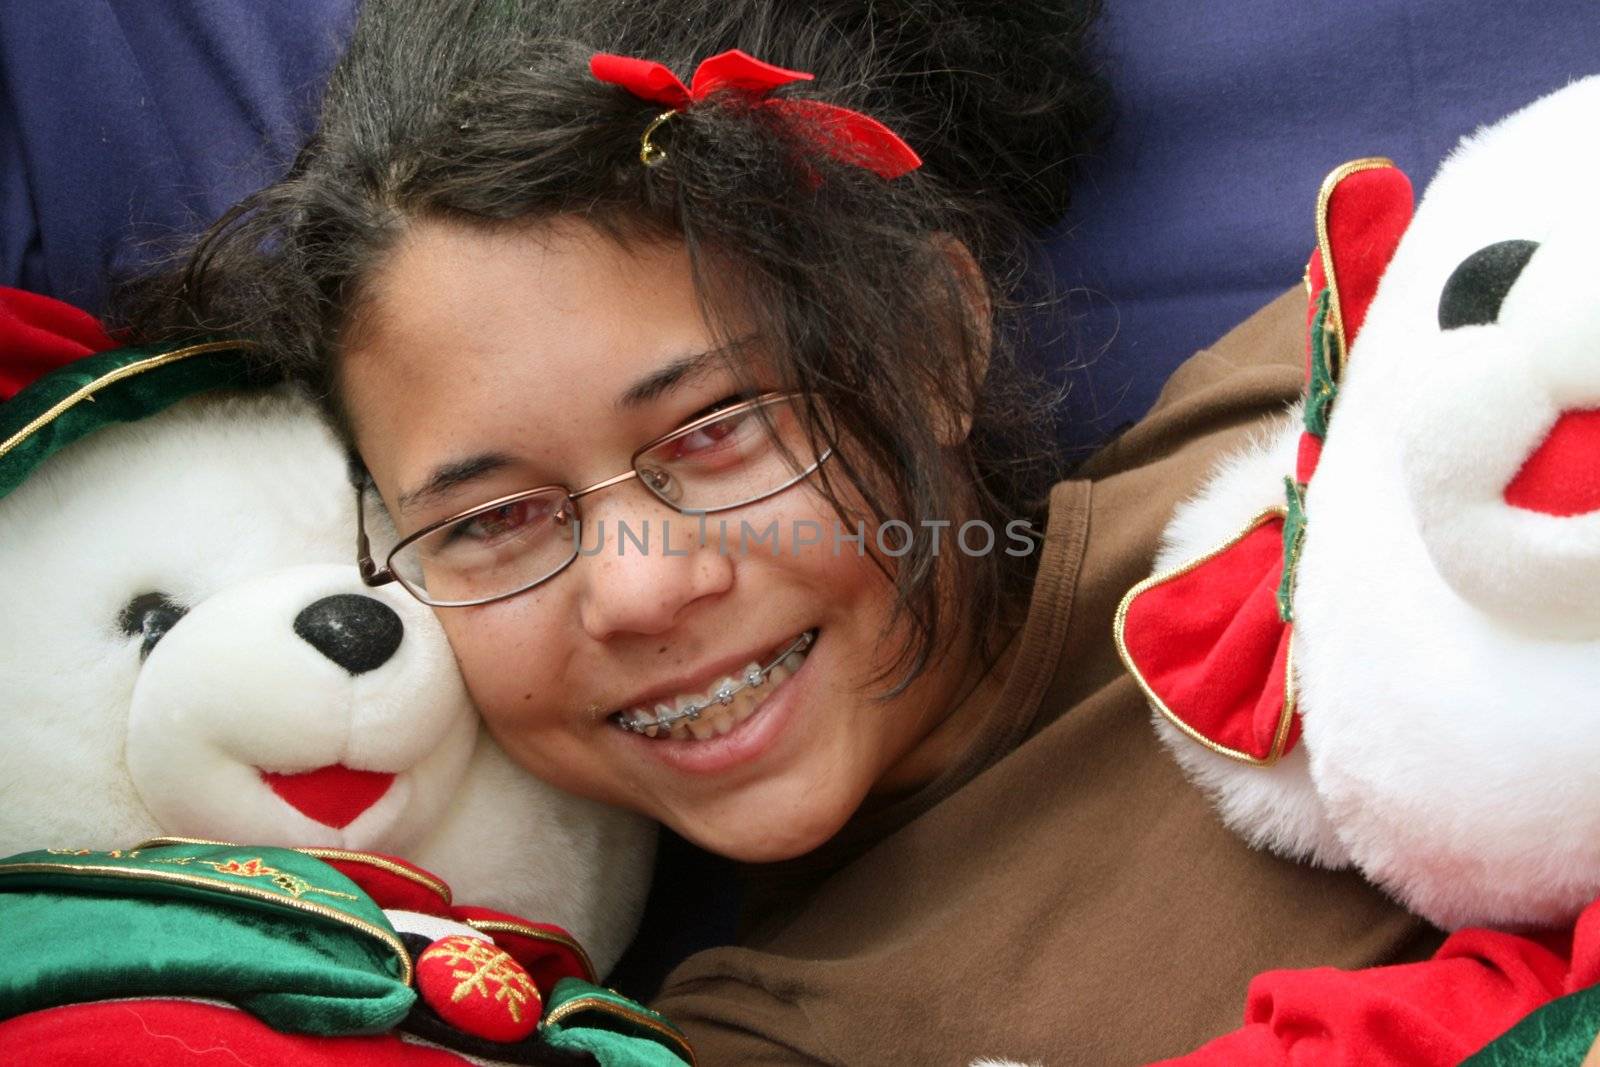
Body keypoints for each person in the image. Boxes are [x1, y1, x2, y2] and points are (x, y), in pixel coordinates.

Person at [115, 0, 1441, 1061]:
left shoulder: (1355, 408)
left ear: (932, 339)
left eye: (713, 432)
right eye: (495, 519)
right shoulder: (758, 1037)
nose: (637, 593)